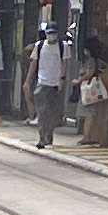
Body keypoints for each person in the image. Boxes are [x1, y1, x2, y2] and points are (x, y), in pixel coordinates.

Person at [31, 18, 67, 148]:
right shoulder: (39, 46)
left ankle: (49, 134)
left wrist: (62, 80)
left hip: (56, 84)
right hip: (42, 82)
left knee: (54, 113)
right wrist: (28, 80)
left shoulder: (63, 46)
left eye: (53, 33)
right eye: (49, 33)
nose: (51, 36)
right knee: (42, 112)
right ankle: (42, 137)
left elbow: (64, 64)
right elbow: (34, 63)